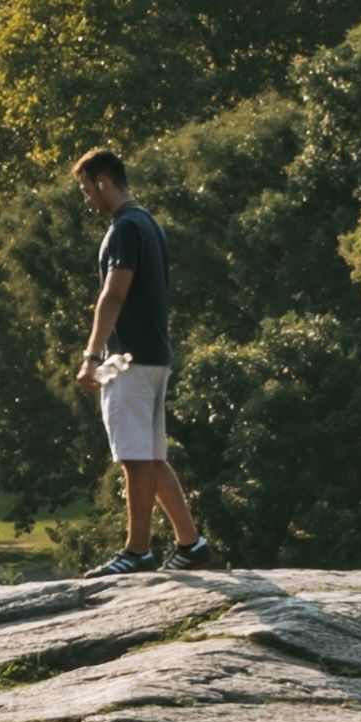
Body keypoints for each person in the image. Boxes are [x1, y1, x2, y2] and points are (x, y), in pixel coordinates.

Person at [71, 151, 211, 574]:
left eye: (85, 189)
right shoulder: (149, 224)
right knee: (149, 455)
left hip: (125, 357)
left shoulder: (125, 228)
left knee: (134, 458)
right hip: (153, 355)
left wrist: (92, 356)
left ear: (102, 182)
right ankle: (192, 545)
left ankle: (137, 552)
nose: (87, 200)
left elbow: (113, 294)